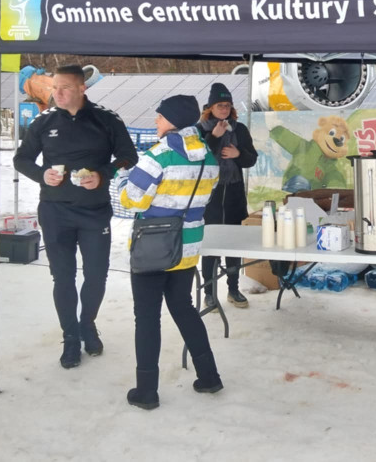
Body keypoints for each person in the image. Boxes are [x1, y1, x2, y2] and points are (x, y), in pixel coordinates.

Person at [14, 64, 138, 369]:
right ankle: (70, 337)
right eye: (55, 87)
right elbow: (21, 159)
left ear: (82, 88)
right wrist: (42, 175)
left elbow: (128, 155)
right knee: (63, 276)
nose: (57, 93)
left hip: (94, 212)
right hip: (55, 211)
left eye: (65, 87)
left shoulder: (106, 119)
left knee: (96, 274)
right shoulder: (44, 121)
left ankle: (88, 324)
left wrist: (103, 174)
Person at [119, 95, 223, 410]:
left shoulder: (158, 156)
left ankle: (147, 391)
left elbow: (131, 201)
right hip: (187, 249)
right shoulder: (208, 157)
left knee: (147, 318)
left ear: (173, 121)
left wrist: (125, 181)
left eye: (160, 116)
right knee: (184, 309)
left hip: (152, 248)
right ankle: (209, 376)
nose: (156, 121)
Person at [196, 82, 257, 309]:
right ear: (210, 107)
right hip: (209, 195)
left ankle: (233, 288)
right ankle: (209, 293)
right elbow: (197, 157)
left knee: (233, 243)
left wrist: (238, 153)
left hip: (234, 193)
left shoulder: (239, 129)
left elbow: (251, 159)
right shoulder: (199, 128)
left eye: (227, 105)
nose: (224, 109)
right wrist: (213, 136)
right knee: (210, 245)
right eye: (219, 105)